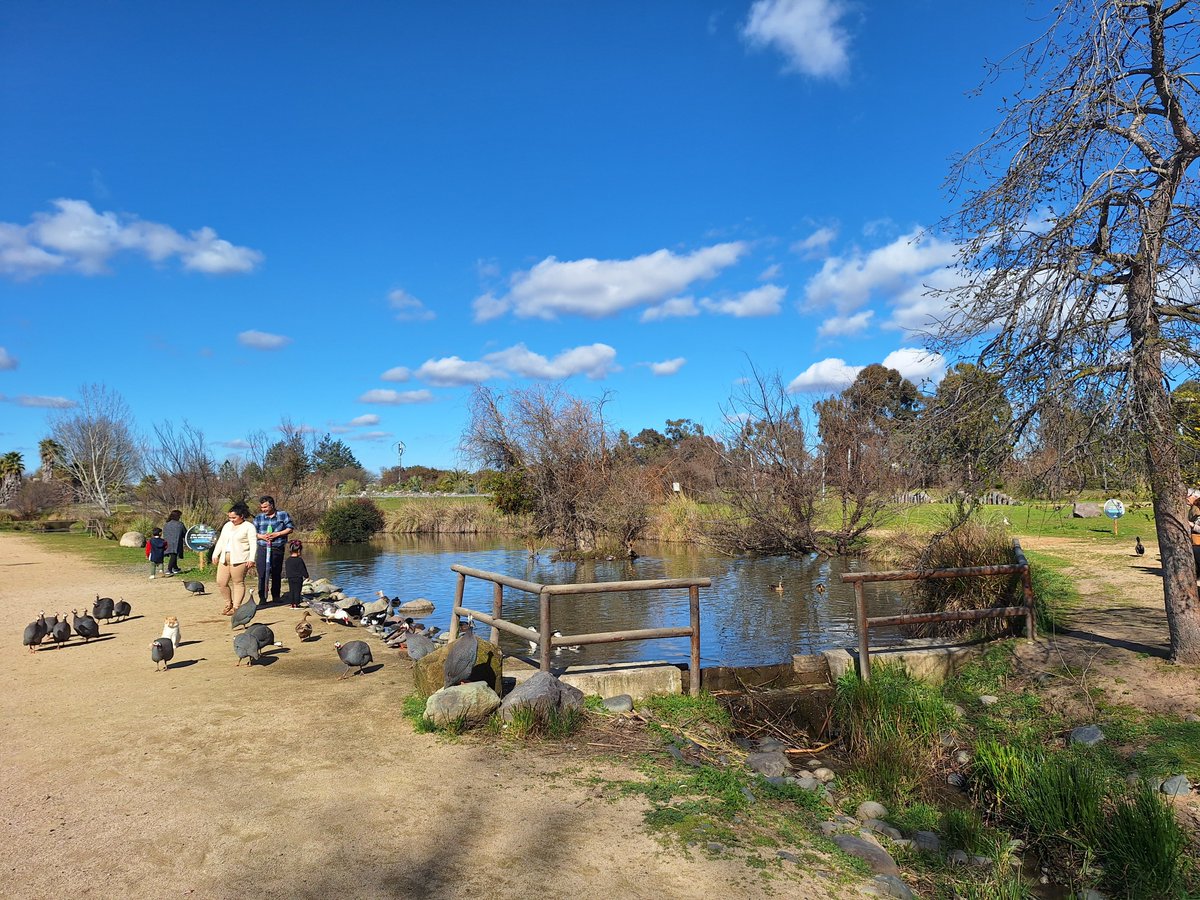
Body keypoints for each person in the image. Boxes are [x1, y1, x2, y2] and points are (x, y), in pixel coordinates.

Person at [211, 501, 257, 615]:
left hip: (240, 558)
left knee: (238, 582)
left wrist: (251, 558)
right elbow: (221, 540)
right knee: (221, 582)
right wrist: (215, 554)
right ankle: (228, 603)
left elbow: (253, 543)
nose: (231, 520)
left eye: (234, 517)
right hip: (224, 558)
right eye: (229, 517)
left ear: (241, 516)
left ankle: (236, 607)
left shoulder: (249, 527)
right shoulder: (227, 526)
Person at [254, 496, 294, 606]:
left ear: (272, 505)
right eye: (262, 507)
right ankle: (262, 596)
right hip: (263, 548)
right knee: (262, 573)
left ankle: (276, 596)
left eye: (265, 507)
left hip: (277, 548)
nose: (263, 509)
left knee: (276, 572)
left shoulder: (283, 515)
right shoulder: (258, 518)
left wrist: (278, 534)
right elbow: (253, 533)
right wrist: (262, 537)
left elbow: (290, 528)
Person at [283, 540, 309, 609]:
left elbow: (287, 569)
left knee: (292, 591)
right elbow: (303, 569)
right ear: (299, 551)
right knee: (297, 591)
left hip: (290, 577)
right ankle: (297, 604)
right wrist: (306, 576)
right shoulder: (299, 560)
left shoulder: (288, 560)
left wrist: (287, 576)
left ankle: (292, 604)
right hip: (298, 578)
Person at [162, 509, 186, 576]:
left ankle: (175, 568)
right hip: (176, 542)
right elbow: (185, 533)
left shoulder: (166, 524)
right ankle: (169, 569)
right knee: (174, 554)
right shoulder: (180, 524)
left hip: (167, 542)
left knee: (173, 555)